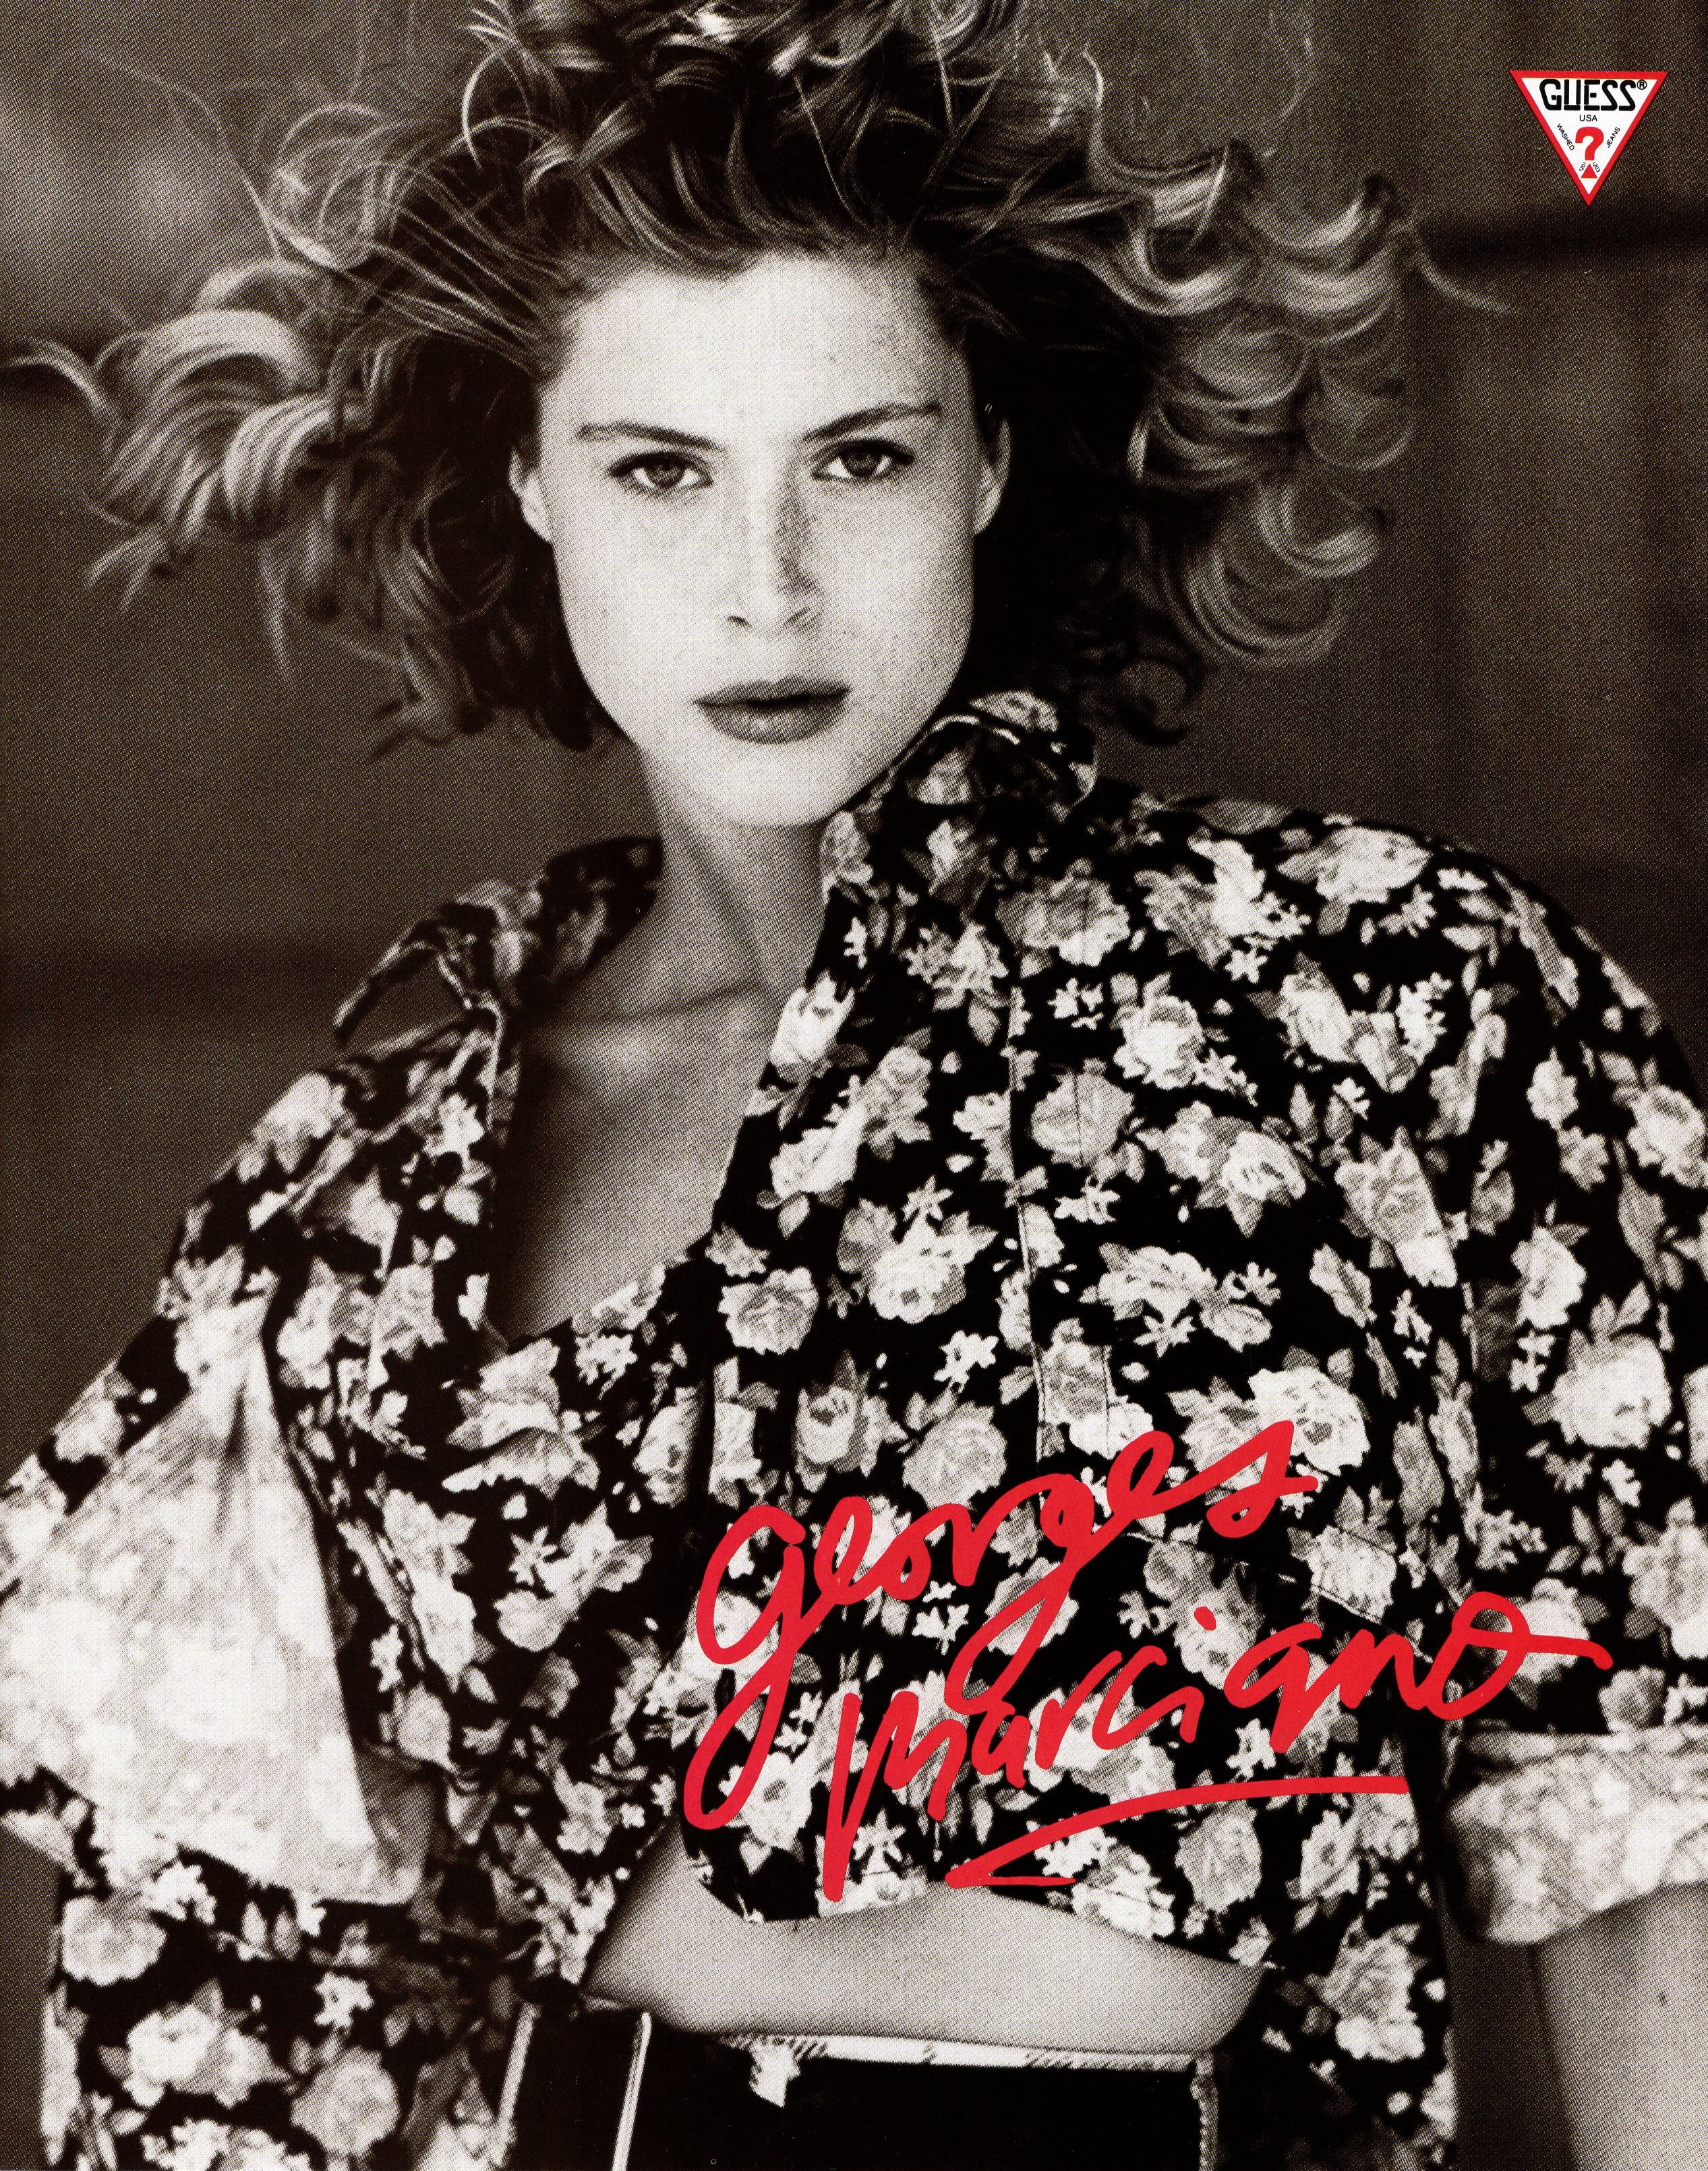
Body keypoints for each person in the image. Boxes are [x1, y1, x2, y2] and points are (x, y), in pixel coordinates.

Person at [1, 1, 1705, 2166]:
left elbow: (1648, 1831)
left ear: (988, 452)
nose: (767, 586)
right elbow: (194, 2020)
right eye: (661, 469)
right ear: (529, 478)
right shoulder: (366, 1180)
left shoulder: (1389, 1002)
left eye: (860, 456)